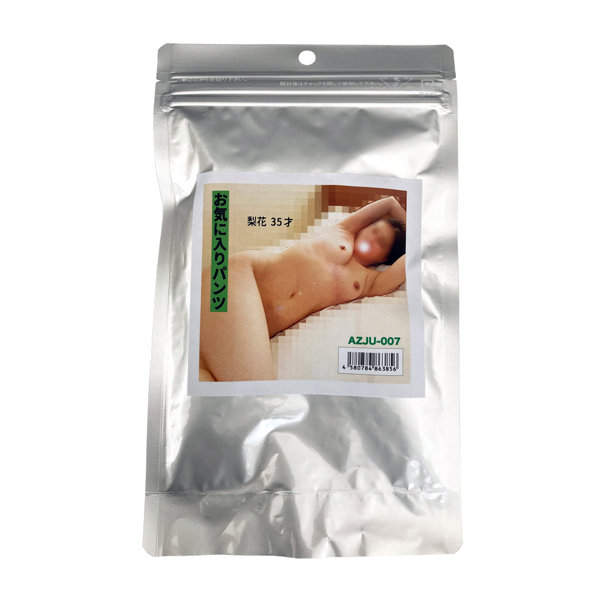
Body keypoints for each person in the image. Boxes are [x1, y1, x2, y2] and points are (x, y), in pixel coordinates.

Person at [200, 195, 407, 381]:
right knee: (254, 396)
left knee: (206, 383)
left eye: (380, 242)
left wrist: (419, 233)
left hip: (249, 324)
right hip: (241, 276)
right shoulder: (343, 231)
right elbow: (389, 203)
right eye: (373, 230)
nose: (371, 238)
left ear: (384, 258)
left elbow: (412, 258)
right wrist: (401, 212)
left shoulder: (371, 282)